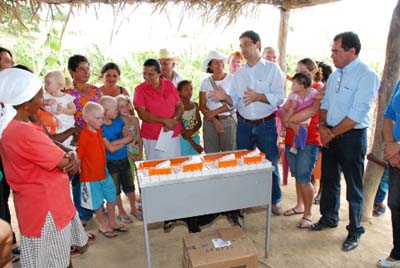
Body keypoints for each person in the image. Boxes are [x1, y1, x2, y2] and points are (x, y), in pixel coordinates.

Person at [0, 68, 88, 268]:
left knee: (60, 257)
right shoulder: (23, 133)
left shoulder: (23, 125)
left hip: (46, 203)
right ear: (24, 104)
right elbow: (66, 163)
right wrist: (72, 156)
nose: (43, 102)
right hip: (45, 209)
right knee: (55, 262)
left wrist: (70, 156)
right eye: (39, 97)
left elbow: (56, 149)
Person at [311, 31, 380, 252]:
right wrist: (323, 127)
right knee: (329, 180)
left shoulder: (366, 75)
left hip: (351, 137)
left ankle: (354, 230)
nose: (331, 55)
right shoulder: (335, 75)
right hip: (330, 133)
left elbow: (357, 113)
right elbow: (325, 103)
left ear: (352, 51)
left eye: (335, 51)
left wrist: (332, 133)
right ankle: (328, 217)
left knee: (354, 186)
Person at [209, 30, 285, 215]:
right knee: (243, 163)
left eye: (247, 44)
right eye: (241, 45)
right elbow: (234, 100)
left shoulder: (272, 69)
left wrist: (258, 96)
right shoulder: (239, 74)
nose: (243, 49)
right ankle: (245, 200)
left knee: (270, 164)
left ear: (258, 44)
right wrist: (224, 97)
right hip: (243, 124)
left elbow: (280, 97)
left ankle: (274, 200)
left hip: (266, 124)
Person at [77, 101, 127, 238]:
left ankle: (112, 222)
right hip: (91, 176)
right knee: (97, 203)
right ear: (87, 119)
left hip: (104, 172)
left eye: (102, 117)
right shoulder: (84, 136)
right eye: (98, 118)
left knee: (112, 197)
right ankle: (102, 225)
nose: (101, 121)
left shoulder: (99, 131)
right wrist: (78, 169)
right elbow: (79, 157)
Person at [279, 72, 322, 228]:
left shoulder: (316, 93)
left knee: (304, 177)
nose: (293, 83)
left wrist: (288, 120)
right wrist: (288, 121)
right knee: (298, 176)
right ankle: (300, 206)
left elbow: (310, 112)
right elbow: (282, 110)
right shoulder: (294, 95)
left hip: (309, 141)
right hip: (292, 141)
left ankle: (308, 213)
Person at [66, 54, 101, 224]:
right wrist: (78, 130)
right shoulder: (66, 94)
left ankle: (97, 207)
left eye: (88, 68)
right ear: (72, 72)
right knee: (79, 174)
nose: (86, 72)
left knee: (96, 171)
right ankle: (82, 213)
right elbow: (64, 118)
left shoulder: (95, 91)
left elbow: (102, 114)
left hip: (96, 138)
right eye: (81, 69)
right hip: (76, 140)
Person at [99, 96, 142, 223]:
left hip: (123, 158)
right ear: (105, 112)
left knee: (130, 186)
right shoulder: (101, 127)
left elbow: (129, 137)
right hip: (111, 162)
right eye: (115, 109)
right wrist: (122, 142)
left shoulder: (119, 122)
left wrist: (114, 143)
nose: (117, 111)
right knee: (115, 189)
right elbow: (111, 149)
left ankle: (133, 209)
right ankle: (121, 211)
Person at [133, 58, 183, 160]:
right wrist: (165, 121)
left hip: (171, 133)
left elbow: (180, 106)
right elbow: (142, 114)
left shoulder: (169, 85)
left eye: (151, 74)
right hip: (152, 136)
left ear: (159, 73)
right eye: (144, 74)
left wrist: (173, 120)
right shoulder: (139, 90)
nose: (147, 77)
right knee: (157, 169)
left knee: (175, 166)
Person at [377, 80, 400, 267]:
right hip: (396, 155)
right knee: (395, 202)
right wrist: (391, 144)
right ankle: (398, 251)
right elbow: (389, 114)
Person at [199, 51, 236, 153]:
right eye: (215, 62)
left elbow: (234, 103)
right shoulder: (205, 82)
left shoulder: (233, 79)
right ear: (210, 66)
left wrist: (213, 113)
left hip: (228, 120)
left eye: (221, 61)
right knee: (211, 155)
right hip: (210, 122)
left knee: (230, 155)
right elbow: (202, 105)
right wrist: (215, 121)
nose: (219, 64)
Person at [43, 70, 76, 148]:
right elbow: (40, 106)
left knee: (66, 143)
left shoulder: (66, 97)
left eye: (48, 83)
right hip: (51, 126)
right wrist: (45, 102)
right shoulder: (45, 96)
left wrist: (64, 110)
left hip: (65, 125)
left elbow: (73, 110)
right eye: (45, 82)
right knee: (54, 144)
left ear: (59, 85)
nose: (45, 85)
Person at [177, 80, 203, 155]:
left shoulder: (195, 105)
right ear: (179, 92)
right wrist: (194, 145)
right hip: (183, 140)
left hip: (195, 136)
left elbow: (198, 122)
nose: (189, 92)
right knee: (184, 161)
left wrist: (192, 131)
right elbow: (182, 130)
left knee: (195, 161)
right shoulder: (178, 107)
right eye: (186, 89)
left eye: (191, 89)